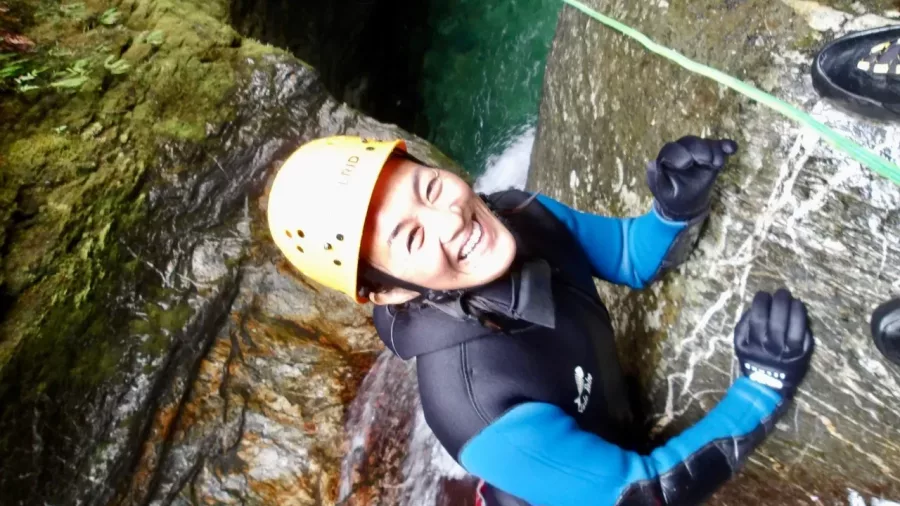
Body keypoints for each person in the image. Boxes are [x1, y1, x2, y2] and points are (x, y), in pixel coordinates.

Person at [266, 135, 816, 506]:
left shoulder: (516, 212)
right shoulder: (476, 409)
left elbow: (625, 254)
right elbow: (642, 493)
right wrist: (760, 391)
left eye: (430, 188)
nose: (450, 219)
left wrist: (674, 209)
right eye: (411, 238)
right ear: (384, 290)